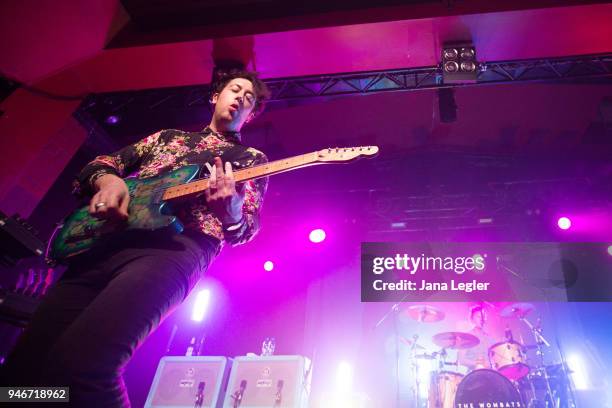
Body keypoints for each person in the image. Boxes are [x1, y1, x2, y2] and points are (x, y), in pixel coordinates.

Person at [0, 70, 270, 407]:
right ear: (215, 96)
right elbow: (103, 163)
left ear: (251, 114)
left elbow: (245, 226)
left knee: (85, 366)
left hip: (174, 249)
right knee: (23, 375)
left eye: (248, 100)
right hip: (107, 241)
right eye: (235, 90)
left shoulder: (250, 160)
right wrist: (109, 182)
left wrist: (229, 211)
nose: (240, 99)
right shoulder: (166, 137)